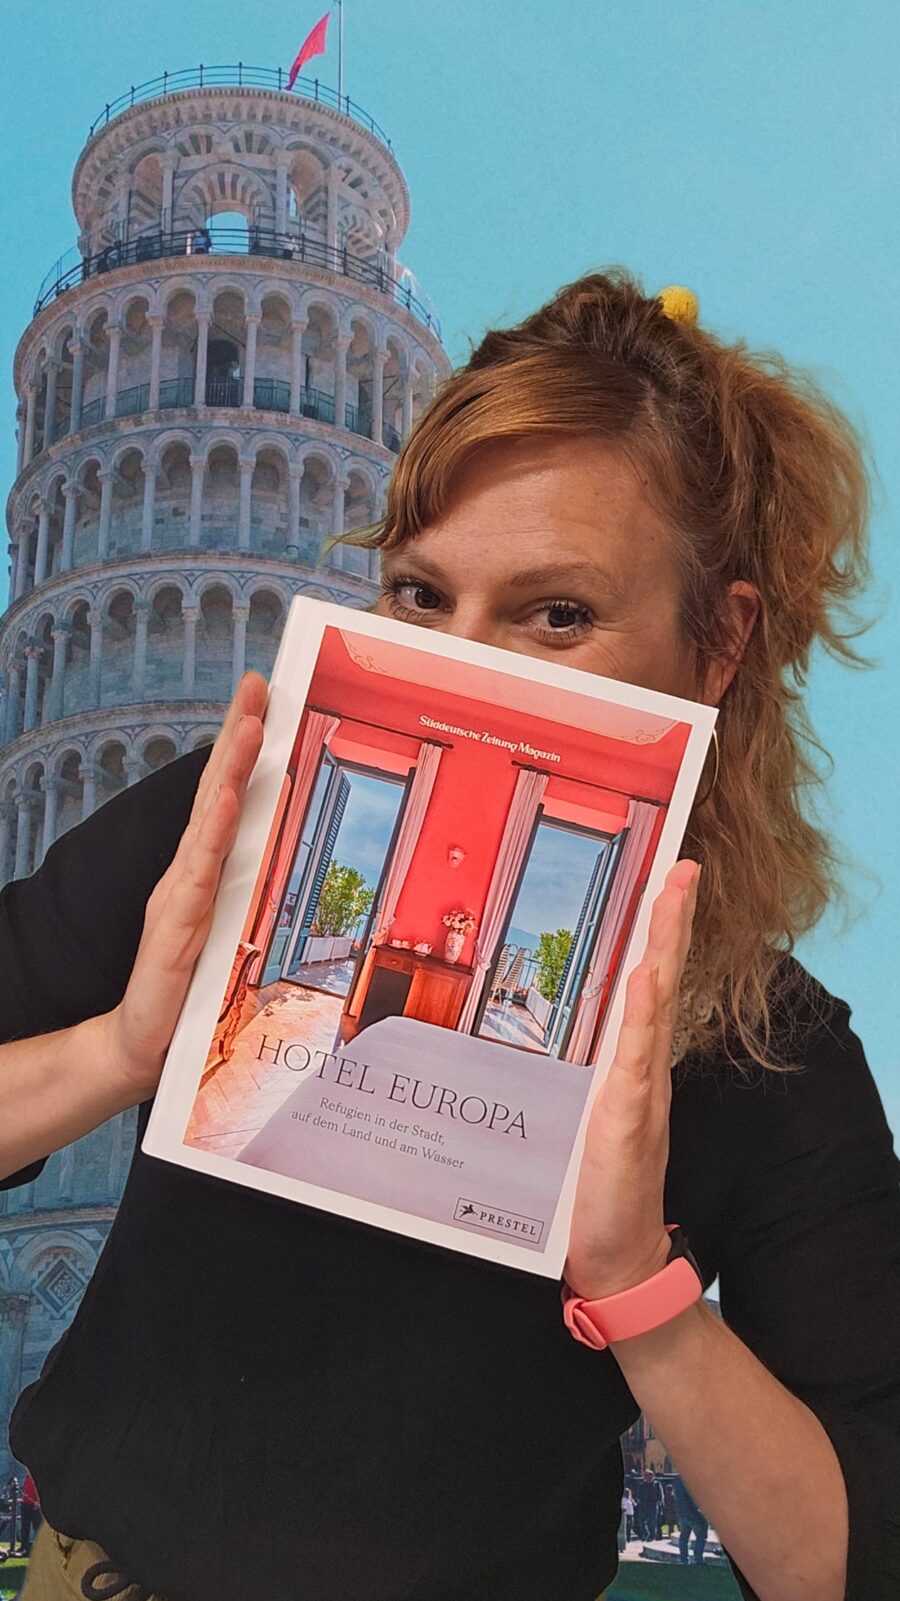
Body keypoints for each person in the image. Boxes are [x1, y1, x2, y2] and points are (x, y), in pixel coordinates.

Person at [2, 269, 900, 1601]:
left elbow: (850, 1556)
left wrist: (639, 1289)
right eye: (423, 597)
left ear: (718, 643)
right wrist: (119, 1050)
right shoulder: (231, 834)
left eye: (557, 614)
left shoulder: (768, 1045)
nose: (467, 663)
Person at [674, 1476, 710, 1566]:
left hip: (681, 1513)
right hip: (693, 1513)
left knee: (684, 1538)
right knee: (701, 1536)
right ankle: (698, 1559)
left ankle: (684, 1560)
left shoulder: (677, 1479)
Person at [16, 1472, 42, 1556]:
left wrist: (38, 1502)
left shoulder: (37, 1476)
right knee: (25, 1527)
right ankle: (23, 1546)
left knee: (37, 1527)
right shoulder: (28, 1477)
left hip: (34, 1505)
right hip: (26, 1504)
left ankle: (40, 1547)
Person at [635, 1469, 663, 1543]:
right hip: (643, 1505)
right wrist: (638, 1500)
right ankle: (645, 1534)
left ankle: (651, 1537)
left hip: (653, 1505)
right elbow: (638, 1494)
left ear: (651, 1476)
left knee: (652, 1522)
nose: (645, 1477)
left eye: (647, 1475)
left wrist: (660, 1502)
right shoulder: (642, 1485)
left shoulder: (656, 1484)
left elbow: (660, 1494)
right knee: (641, 1521)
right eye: (645, 1475)